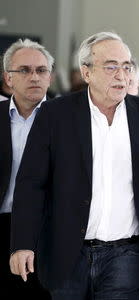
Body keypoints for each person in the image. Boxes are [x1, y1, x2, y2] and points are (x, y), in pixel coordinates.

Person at [9, 32, 139, 300]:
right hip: (67, 253)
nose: (122, 75)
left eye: (127, 66)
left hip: (127, 255)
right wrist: (22, 244)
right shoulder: (55, 114)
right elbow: (31, 184)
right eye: (111, 66)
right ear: (86, 72)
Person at [0, 38, 52, 299]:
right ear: (8, 78)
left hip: (44, 231)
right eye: (25, 70)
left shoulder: (64, 119)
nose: (34, 77)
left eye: (41, 70)